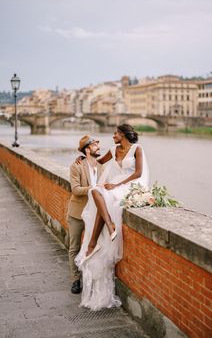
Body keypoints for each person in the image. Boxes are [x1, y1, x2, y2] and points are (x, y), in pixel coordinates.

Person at [75, 124, 149, 310]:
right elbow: (97, 162)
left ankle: (93, 242)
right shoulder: (113, 149)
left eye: (115, 133)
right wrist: (84, 157)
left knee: (105, 195)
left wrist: (117, 185)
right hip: (117, 184)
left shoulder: (137, 149)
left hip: (131, 185)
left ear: (123, 135)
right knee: (96, 191)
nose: (113, 135)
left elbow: (138, 173)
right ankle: (110, 225)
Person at [67, 135, 103, 294]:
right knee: (74, 247)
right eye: (95, 145)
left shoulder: (102, 165)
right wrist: (94, 189)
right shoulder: (77, 166)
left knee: (94, 247)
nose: (98, 147)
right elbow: (75, 189)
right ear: (87, 149)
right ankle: (75, 280)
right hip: (77, 213)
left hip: (95, 214)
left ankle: (91, 277)